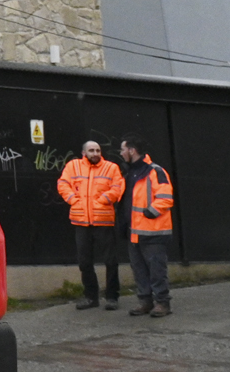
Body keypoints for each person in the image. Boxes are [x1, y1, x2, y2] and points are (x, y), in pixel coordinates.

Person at [57, 140, 125, 309]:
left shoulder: (111, 168)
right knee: (84, 262)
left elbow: (118, 187)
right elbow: (63, 184)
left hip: (104, 220)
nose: (95, 153)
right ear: (83, 153)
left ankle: (112, 297)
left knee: (110, 261)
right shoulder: (73, 166)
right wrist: (73, 200)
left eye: (97, 150)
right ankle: (91, 297)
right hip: (81, 221)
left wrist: (103, 200)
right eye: (91, 150)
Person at [121, 135, 175, 318]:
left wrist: (149, 212)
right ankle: (145, 301)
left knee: (156, 270)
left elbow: (166, 198)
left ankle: (162, 303)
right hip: (135, 232)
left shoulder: (154, 171)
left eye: (123, 150)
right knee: (139, 270)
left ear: (131, 150)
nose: (121, 153)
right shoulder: (132, 172)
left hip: (153, 231)